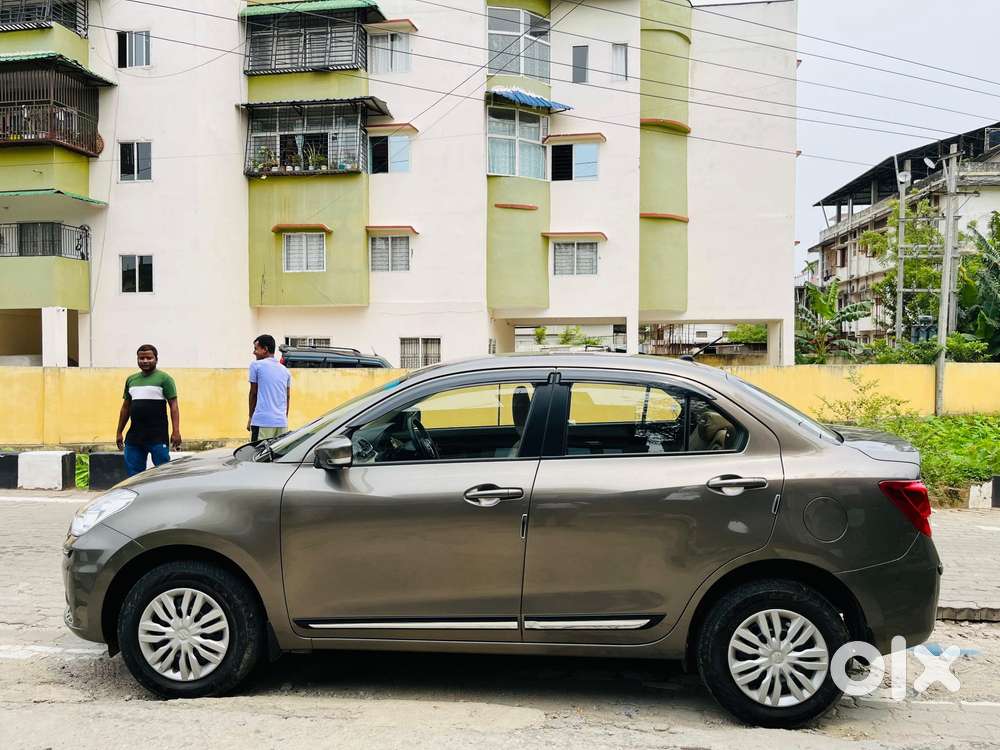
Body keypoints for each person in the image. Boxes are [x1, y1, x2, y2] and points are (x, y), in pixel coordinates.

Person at [116, 344, 181, 477]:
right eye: (141, 358)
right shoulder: (131, 380)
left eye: (149, 358)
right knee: (134, 477)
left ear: (156, 359)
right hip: (134, 437)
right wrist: (119, 432)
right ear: (137, 359)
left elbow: (173, 406)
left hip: (158, 436)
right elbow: (125, 407)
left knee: (163, 474)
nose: (145, 361)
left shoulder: (165, 379)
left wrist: (176, 431)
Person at [248, 334, 291, 443]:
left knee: (257, 456)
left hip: (262, 421)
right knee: (277, 458)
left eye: (256, 349)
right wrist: (282, 418)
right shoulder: (285, 370)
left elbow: (253, 393)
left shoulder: (256, 366)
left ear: (265, 349)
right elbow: (287, 397)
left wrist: (250, 417)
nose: (254, 352)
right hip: (281, 423)